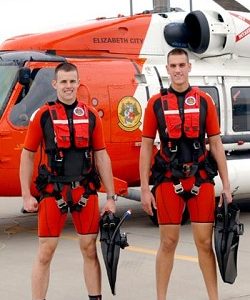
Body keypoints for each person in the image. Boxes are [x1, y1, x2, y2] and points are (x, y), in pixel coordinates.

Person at [139, 48, 232, 300]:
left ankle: (214, 298)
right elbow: (147, 145)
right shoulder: (155, 104)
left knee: (204, 244)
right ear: (167, 69)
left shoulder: (204, 101)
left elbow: (215, 143)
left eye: (182, 65)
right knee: (168, 242)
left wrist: (225, 184)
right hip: (168, 179)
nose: (178, 70)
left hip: (200, 178)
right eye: (173, 66)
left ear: (189, 67)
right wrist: (145, 189)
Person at [19, 62, 117, 300]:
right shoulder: (43, 116)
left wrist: (111, 197)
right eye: (63, 81)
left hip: (85, 192)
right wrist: (26, 195)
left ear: (78, 83)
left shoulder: (91, 115)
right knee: (45, 252)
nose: (68, 86)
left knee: (89, 249)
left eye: (72, 81)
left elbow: (101, 156)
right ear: (55, 84)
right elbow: (27, 155)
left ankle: (95, 297)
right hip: (53, 192)